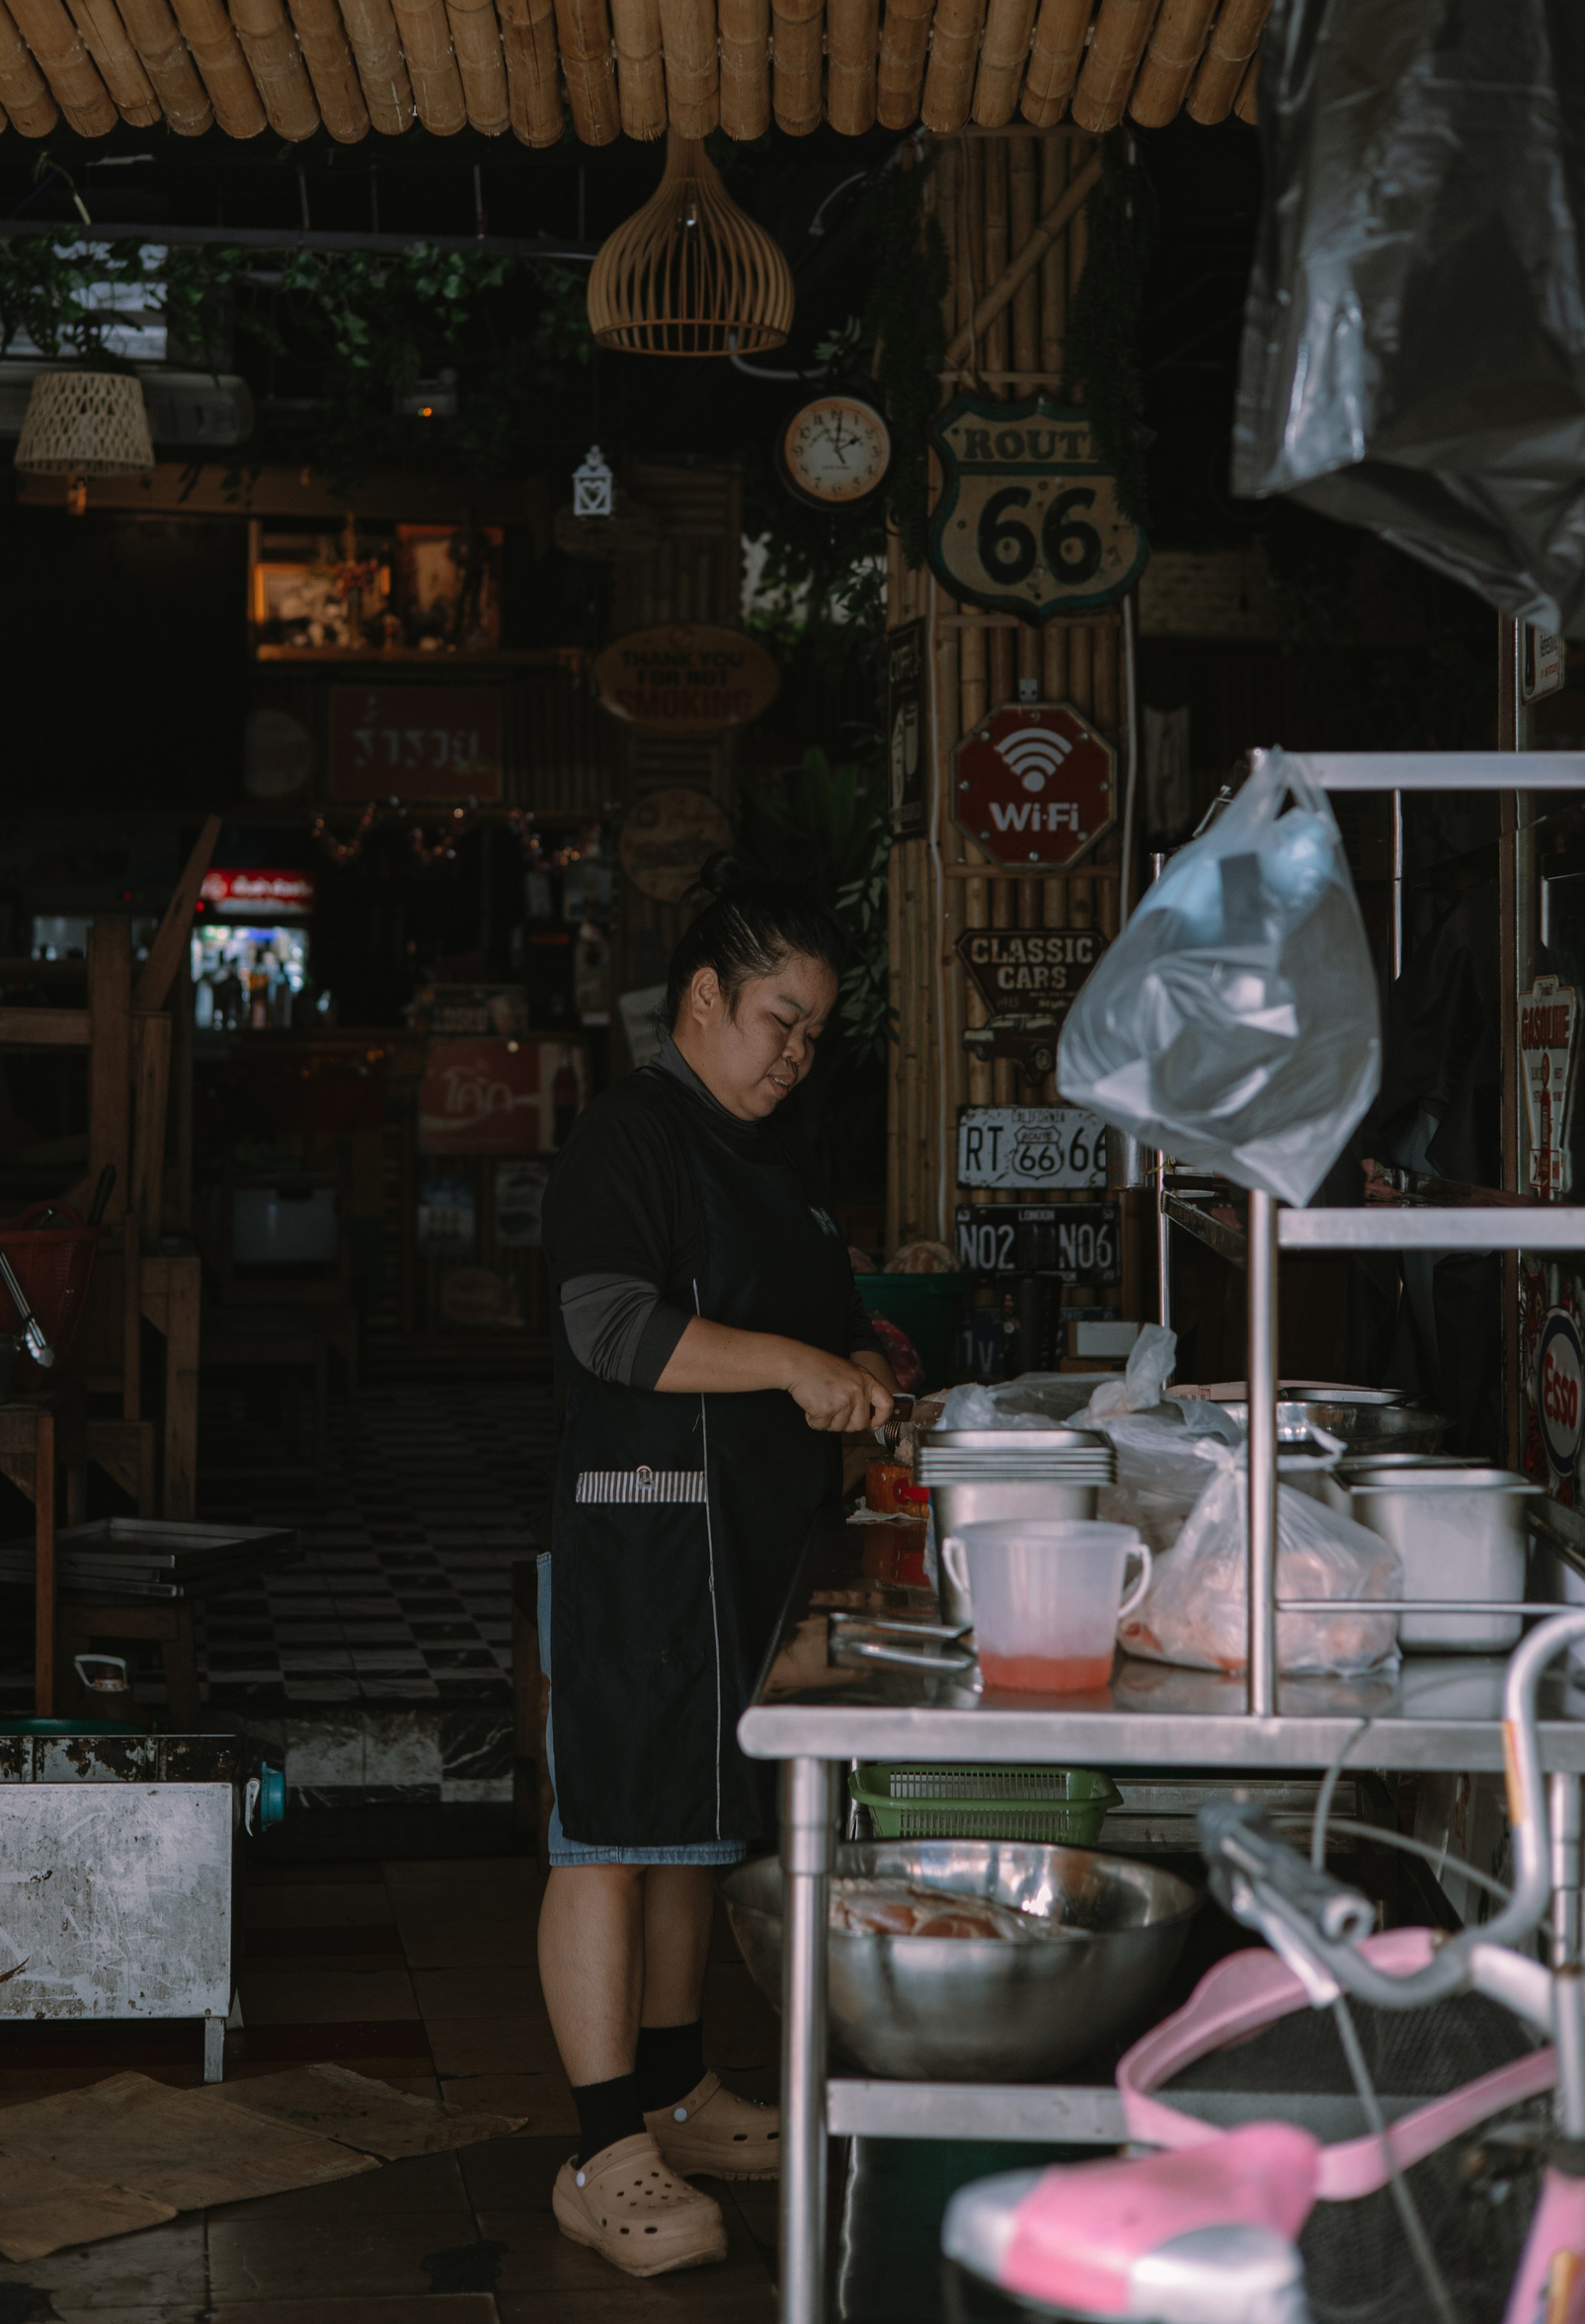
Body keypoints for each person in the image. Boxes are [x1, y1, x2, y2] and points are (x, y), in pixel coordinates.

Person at [536, 864, 895, 2280]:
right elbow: (608, 1327)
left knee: (695, 1822)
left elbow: (821, 1312)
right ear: (704, 998)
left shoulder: (775, 1151)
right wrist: (799, 1365)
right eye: (778, 1020)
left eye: (816, 1032)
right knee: (610, 1833)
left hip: (742, 1535)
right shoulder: (632, 1134)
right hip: (638, 1529)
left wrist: (860, 1357)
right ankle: (599, 2149)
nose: (797, 1053)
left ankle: (679, 2091)